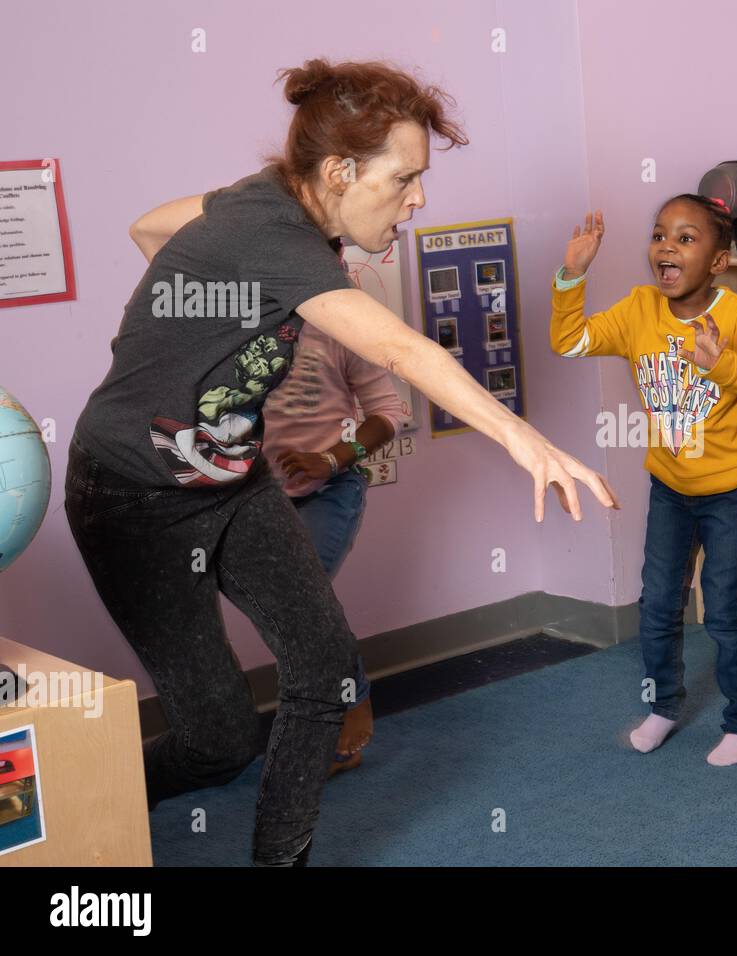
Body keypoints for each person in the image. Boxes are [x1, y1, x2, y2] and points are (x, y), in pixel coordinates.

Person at [65, 58, 617, 866]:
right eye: (405, 179)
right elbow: (398, 346)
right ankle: (79, 808)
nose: (419, 199)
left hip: (229, 480)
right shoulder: (272, 234)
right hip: (129, 495)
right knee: (217, 740)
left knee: (324, 669)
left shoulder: (270, 202)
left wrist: (217, 304)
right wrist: (526, 441)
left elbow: (150, 229)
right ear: (338, 172)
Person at [550, 197, 737, 766]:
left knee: (726, 609)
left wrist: (721, 364)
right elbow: (571, 342)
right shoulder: (638, 310)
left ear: (719, 261)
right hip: (672, 490)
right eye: (660, 235)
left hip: (732, 490)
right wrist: (572, 276)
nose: (667, 246)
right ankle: (662, 707)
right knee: (657, 604)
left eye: (686, 238)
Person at [262, 315, 408, 774]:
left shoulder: (343, 324)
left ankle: (350, 701)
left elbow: (389, 412)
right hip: (253, 496)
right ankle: (327, 712)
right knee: (284, 610)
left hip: (329, 490)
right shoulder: (234, 317)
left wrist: (332, 459)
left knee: (299, 600)